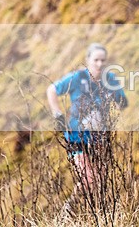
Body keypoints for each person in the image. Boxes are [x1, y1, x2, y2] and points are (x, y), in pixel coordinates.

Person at [46, 43, 128, 209]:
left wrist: (116, 107)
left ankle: (95, 218)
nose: (99, 64)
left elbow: (122, 102)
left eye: (103, 60)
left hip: (100, 137)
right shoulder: (77, 78)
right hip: (77, 136)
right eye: (96, 60)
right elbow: (52, 90)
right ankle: (68, 210)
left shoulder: (110, 79)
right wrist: (58, 115)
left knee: (101, 180)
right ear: (88, 60)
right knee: (89, 179)